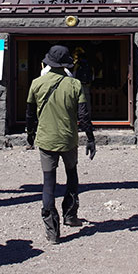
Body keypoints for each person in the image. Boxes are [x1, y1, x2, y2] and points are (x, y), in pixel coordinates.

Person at [26, 45, 96, 244]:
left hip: (46, 139)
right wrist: (90, 138)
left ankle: (52, 231)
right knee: (72, 175)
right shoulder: (74, 85)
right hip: (68, 139)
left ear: (47, 62)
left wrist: (30, 134)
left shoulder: (36, 83)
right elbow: (83, 115)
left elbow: (30, 114)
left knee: (49, 183)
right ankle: (70, 216)